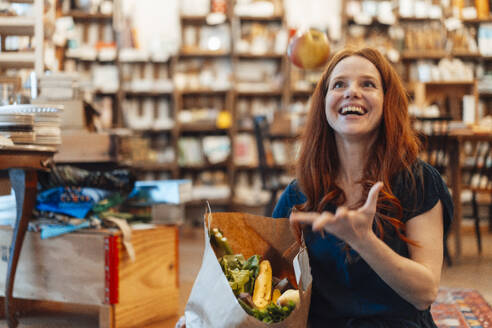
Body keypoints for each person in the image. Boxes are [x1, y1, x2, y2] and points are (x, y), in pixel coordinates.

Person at [272, 47, 453, 328]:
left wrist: (363, 240)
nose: (351, 92)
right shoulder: (300, 192)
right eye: (339, 84)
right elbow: (268, 279)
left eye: (367, 84)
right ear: (323, 104)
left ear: (387, 102)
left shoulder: (419, 182)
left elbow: (425, 294)